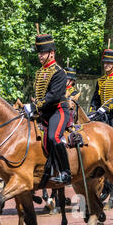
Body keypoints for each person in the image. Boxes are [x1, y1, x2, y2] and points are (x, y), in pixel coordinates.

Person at [24, 34, 71, 184]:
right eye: (39, 53)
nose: (40, 56)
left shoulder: (59, 72)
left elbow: (53, 96)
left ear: (52, 53)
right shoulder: (39, 72)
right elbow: (40, 96)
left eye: (43, 53)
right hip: (43, 112)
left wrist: (34, 105)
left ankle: (66, 172)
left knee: (54, 137)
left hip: (58, 110)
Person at [88, 49, 113, 131]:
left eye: (109, 63)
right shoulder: (100, 80)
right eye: (105, 63)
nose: (106, 65)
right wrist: (92, 111)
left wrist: (105, 108)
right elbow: (95, 99)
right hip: (100, 114)